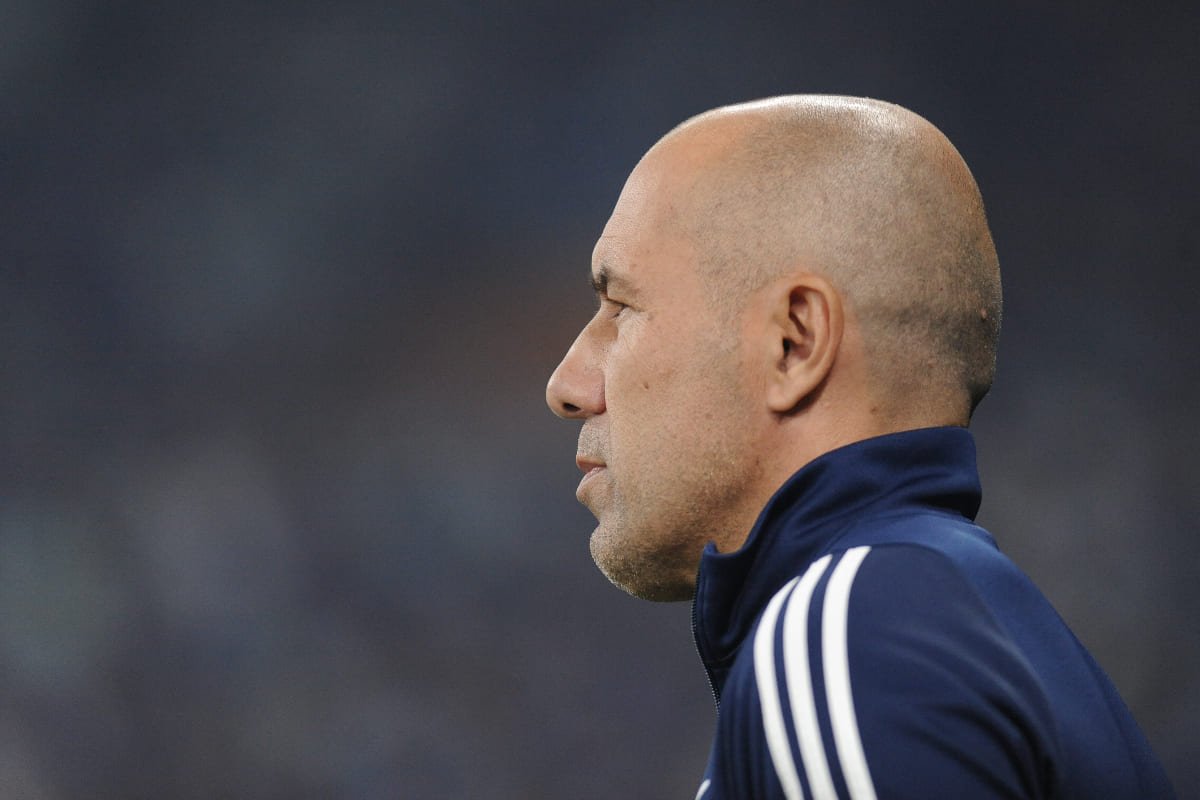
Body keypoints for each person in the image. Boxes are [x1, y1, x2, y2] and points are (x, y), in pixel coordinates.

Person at [545, 95, 1174, 799]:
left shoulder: (851, 630)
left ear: (796, 342)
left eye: (621, 306)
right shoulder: (958, 622)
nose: (567, 385)